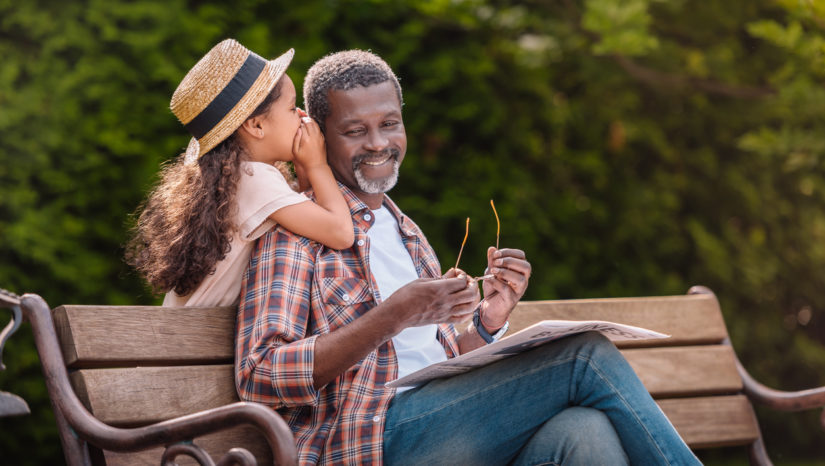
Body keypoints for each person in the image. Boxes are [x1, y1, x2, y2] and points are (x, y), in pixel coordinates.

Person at [235, 50, 702, 465]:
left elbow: (428, 362)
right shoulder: (298, 235)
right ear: (317, 136)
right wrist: (393, 315)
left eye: (390, 123)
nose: (378, 143)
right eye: (355, 130)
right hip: (369, 441)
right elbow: (259, 375)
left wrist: (487, 321)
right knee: (584, 356)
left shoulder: (408, 235)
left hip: (437, 429)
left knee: (583, 432)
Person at [126, 39, 353, 307]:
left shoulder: (236, 179)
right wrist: (317, 165)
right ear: (256, 125)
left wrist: (305, 172)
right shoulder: (255, 180)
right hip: (198, 345)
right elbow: (340, 232)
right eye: (292, 108)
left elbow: (311, 225)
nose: (302, 116)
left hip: (190, 340)